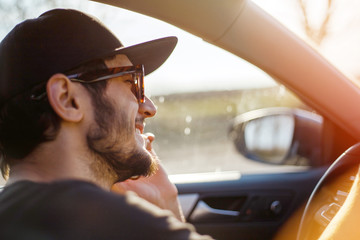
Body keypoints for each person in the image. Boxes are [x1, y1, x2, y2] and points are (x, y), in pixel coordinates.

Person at [0, 8, 213, 239]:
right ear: (67, 99)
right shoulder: (125, 225)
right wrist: (168, 208)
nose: (149, 108)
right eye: (131, 82)